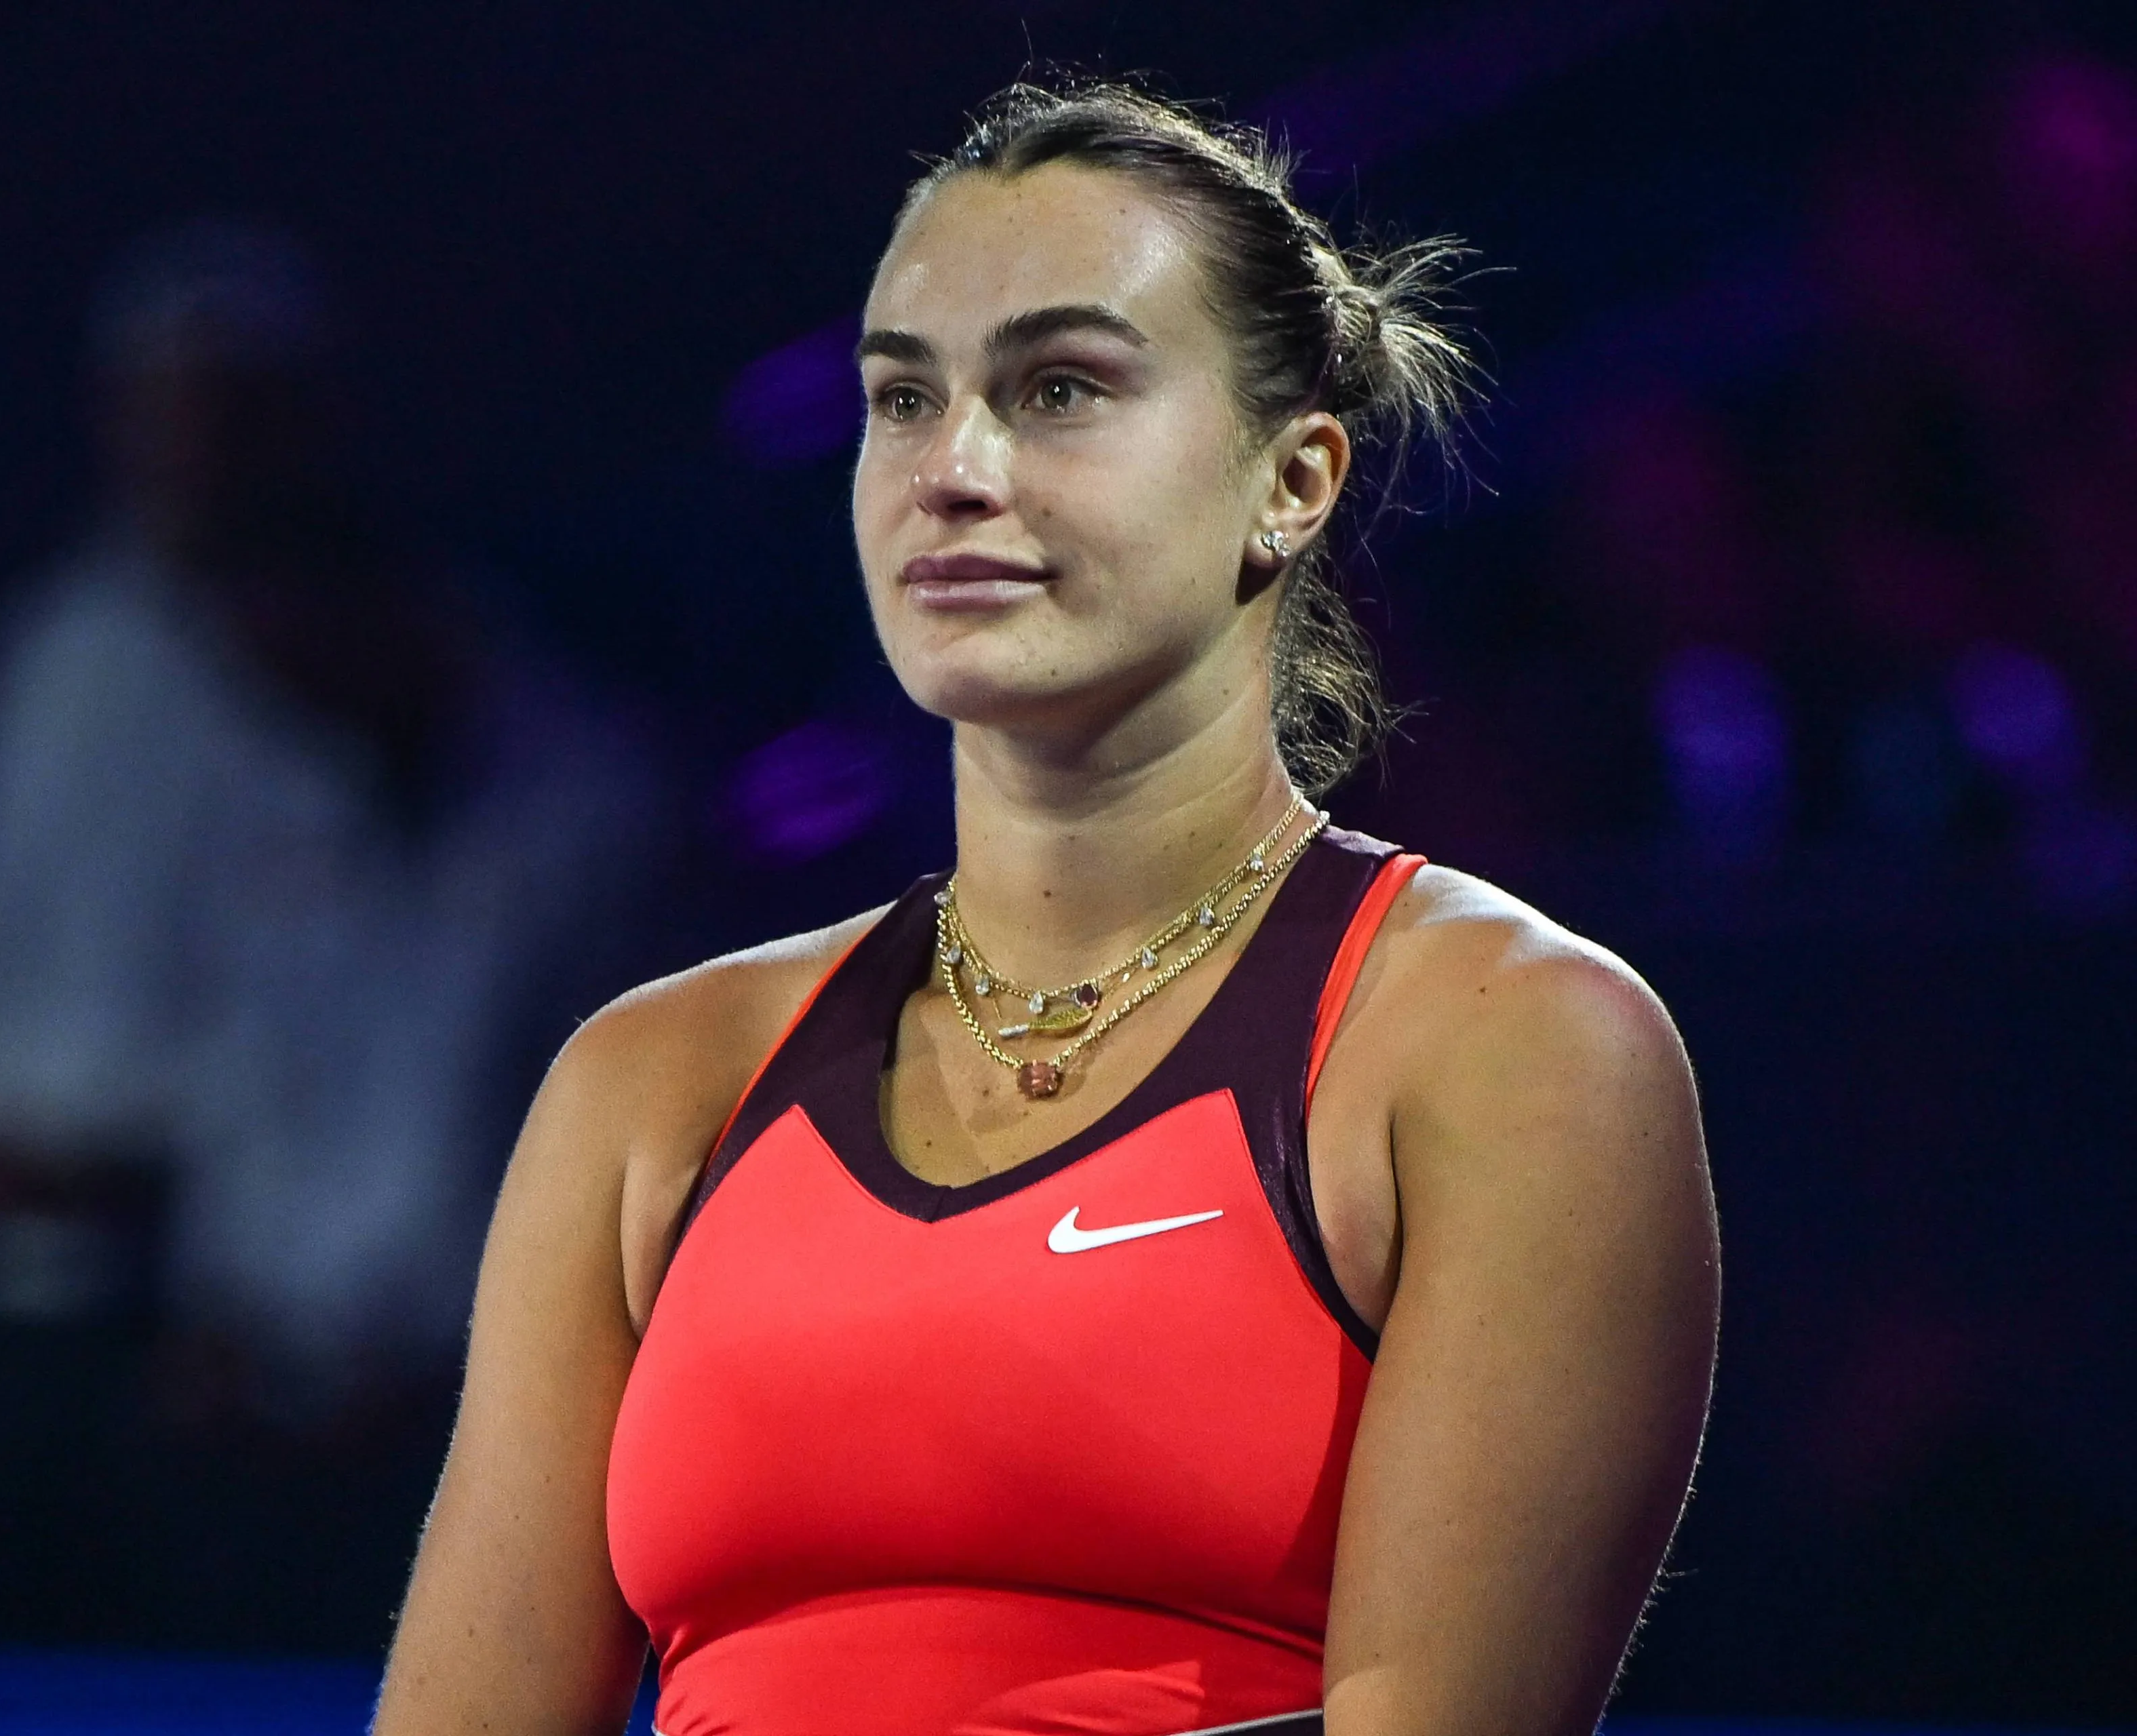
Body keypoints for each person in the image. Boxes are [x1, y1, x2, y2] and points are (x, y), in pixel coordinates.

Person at [375, 83, 1719, 1736]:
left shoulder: (1514, 1052)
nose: (954, 470)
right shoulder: (653, 1079)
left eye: (1060, 387)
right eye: (899, 399)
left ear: (1290, 481)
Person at [0, 222, 659, 1644]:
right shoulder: (92, 671)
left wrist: (419, 1348)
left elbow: (514, 1129)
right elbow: (226, 1069)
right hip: (181, 1359)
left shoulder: (569, 809)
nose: (278, 698)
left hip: (452, 1394)